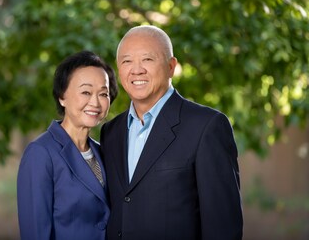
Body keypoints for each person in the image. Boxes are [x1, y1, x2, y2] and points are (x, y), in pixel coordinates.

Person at [100, 25, 243, 240]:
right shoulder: (111, 132)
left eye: (147, 59)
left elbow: (223, 228)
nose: (136, 69)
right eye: (127, 61)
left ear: (171, 66)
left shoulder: (207, 127)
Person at [17, 50, 118, 240]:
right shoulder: (40, 153)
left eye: (103, 94)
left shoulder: (103, 152)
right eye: (86, 92)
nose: (95, 102)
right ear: (62, 96)